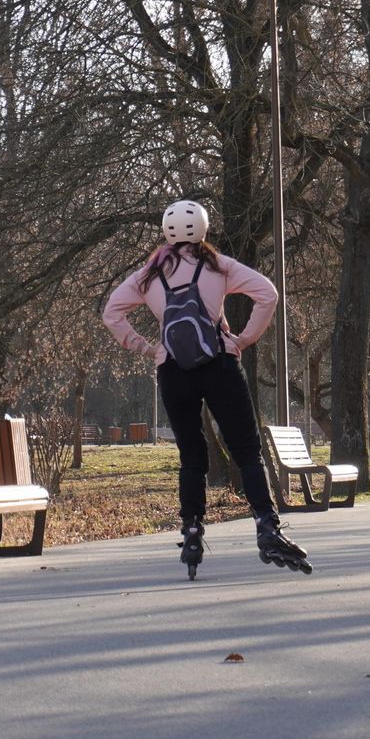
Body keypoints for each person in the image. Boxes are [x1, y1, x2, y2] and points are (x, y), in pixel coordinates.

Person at [103, 200, 311, 577]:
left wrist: (149, 348)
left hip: (173, 371)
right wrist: (243, 340)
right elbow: (268, 294)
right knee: (247, 450)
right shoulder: (219, 266)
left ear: (166, 232)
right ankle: (266, 525)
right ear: (204, 230)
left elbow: (112, 312)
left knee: (192, 456)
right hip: (219, 364)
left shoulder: (148, 276)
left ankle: (193, 531)